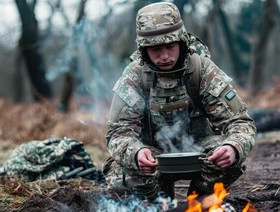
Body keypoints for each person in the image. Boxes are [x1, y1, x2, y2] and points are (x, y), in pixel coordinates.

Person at [102, 2, 256, 200]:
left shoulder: (202, 70)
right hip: (152, 160)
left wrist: (233, 147)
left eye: (170, 46)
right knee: (119, 174)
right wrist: (136, 152)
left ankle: (198, 203)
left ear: (182, 42)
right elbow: (118, 132)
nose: (164, 56)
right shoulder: (134, 76)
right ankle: (156, 206)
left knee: (229, 159)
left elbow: (240, 123)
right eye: (155, 48)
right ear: (144, 49)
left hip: (200, 154)